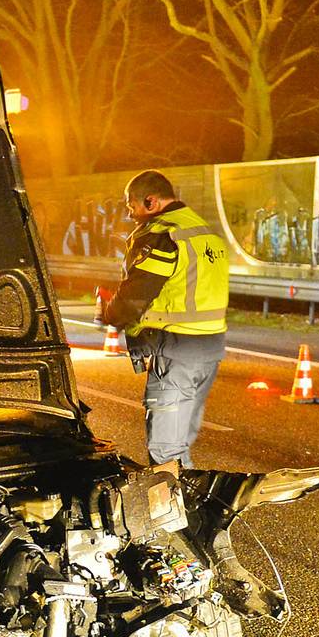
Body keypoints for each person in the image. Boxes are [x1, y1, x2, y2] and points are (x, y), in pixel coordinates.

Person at [99, 170, 229, 468]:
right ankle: (188, 505)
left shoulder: (163, 232)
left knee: (165, 449)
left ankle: (172, 511)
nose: (130, 214)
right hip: (209, 349)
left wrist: (112, 313)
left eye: (131, 206)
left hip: (177, 350)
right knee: (180, 441)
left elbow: (138, 293)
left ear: (150, 201)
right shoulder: (203, 230)